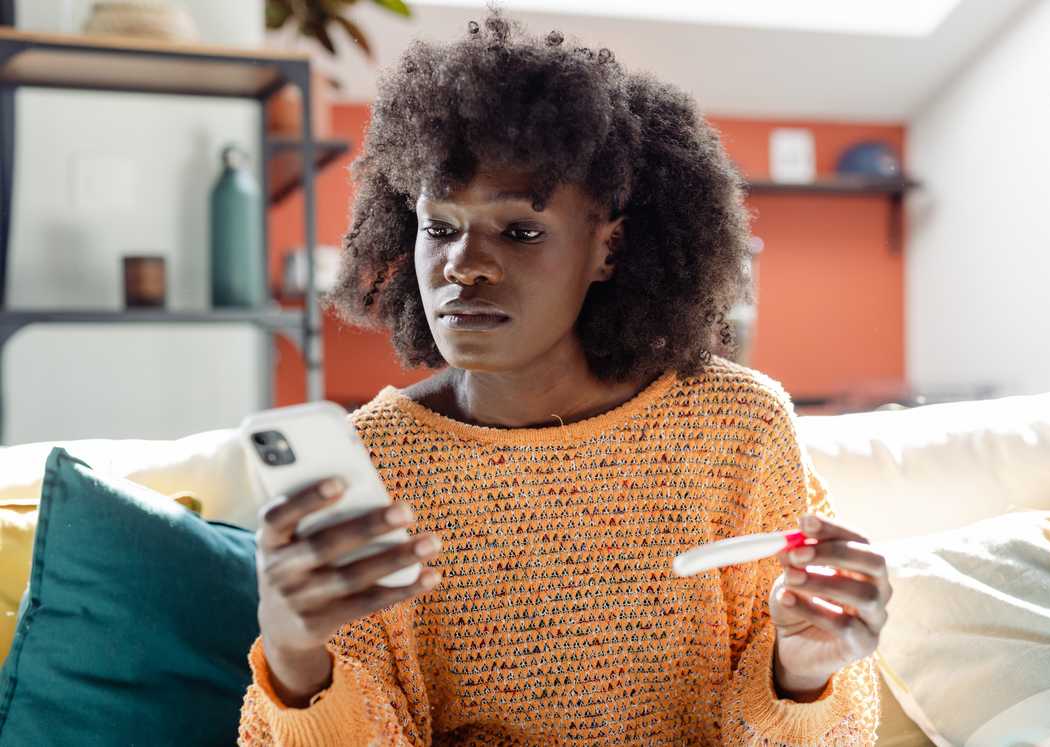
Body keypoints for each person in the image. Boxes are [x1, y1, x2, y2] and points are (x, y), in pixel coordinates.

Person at [238, 9, 888, 746]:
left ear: (607, 248)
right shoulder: (370, 461)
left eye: (518, 231)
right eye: (440, 227)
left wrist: (799, 673)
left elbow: (819, 730)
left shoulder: (737, 428)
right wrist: (296, 662)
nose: (462, 265)